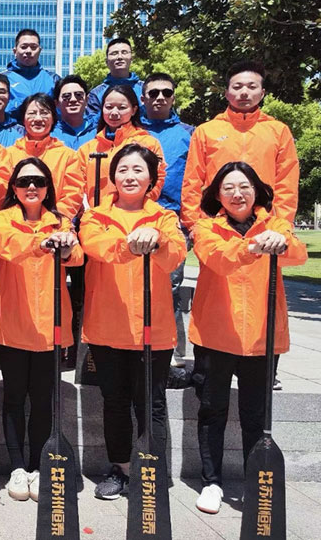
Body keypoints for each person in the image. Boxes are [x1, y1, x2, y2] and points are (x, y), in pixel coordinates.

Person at [187, 162, 307, 514]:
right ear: (217, 195)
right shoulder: (206, 227)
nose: (237, 194)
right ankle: (212, 482)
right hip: (215, 334)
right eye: (228, 188)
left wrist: (282, 242)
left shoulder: (276, 224)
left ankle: (257, 480)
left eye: (244, 187)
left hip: (261, 335)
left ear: (257, 191)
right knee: (212, 410)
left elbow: (298, 255)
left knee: (256, 413)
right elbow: (218, 259)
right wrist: (253, 247)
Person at [79, 143, 186, 500]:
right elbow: (96, 246)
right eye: (123, 169)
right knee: (115, 401)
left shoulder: (165, 218)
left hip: (152, 329)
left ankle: (152, 469)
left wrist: (158, 240)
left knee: (151, 403)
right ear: (112, 176)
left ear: (151, 178)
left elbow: (175, 255)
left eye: (138, 169)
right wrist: (131, 244)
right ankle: (121, 469)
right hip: (107, 327)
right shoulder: (95, 216)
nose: (129, 176)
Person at [0, 157, 83, 502]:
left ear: (48, 188)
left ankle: (38, 465)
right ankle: (17, 467)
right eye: (24, 181)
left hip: (50, 323)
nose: (31, 187)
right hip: (13, 321)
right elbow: (6, 246)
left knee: (43, 400)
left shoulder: (61, 221)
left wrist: (67, 247)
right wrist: (39, 244)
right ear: (13, 187)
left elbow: (78, 256)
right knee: (14, 397)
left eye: (39, 182)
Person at [181, 60, 299, 232]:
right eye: (237, 87)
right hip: (215, 225)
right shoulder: (206, 131)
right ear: (226, 93)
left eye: (252, 87)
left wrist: (282, 224)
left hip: (266, 224)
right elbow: (192, 181)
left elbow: (287, 182)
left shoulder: (279, 131)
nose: (244, 92)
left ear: (262, 93)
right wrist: (194, 223)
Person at [141, 72, 195, 368]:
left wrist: (190, 222)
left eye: (166, 92)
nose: (160, 97)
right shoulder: (132, 132)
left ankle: (173, 351)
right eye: (153, 93)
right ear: (143, 98)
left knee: (170, 286)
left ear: (174, 97)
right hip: (135, 218)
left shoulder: (189, 133)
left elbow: (198, 179)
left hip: (173, 220)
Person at [78, 84, 166, 206]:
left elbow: (157, 180)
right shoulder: (87, 149)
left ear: (134, 110)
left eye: (122, 107)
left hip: (135, 213)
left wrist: (136, 205)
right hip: (96, 215)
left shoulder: (148, 143)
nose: (114, 112)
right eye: (109, 107)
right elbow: (77, 186)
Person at [6, 93, 84, 220]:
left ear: (53, 119)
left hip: (56, 223)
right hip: (15, 224)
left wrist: (54, 219)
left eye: (44, 113)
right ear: (23, 119)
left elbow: (73, 194)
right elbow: (4, 193)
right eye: (32, 113)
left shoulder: (68, 156)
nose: (38, 118)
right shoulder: (8, 155)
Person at [3, 29, 60, 112]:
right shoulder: (3, 79)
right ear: (15, 51)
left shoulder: (54, 79)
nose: (28, 51)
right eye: (24, 47)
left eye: (33, 47)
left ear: (39, 51)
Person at [86, 38, 145, 118]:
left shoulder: (145, 89)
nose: (119, 57)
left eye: (124, 52)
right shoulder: (96, 93)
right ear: (106, 61)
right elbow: (93, 122)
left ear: (132, 59)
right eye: (114, 53)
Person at [51, 75, 97, 149]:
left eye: (78, 95)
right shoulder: (50, 133)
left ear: (87, 100)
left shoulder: (99, 131)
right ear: (56, 103)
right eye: (66, 96)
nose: (73, 99)